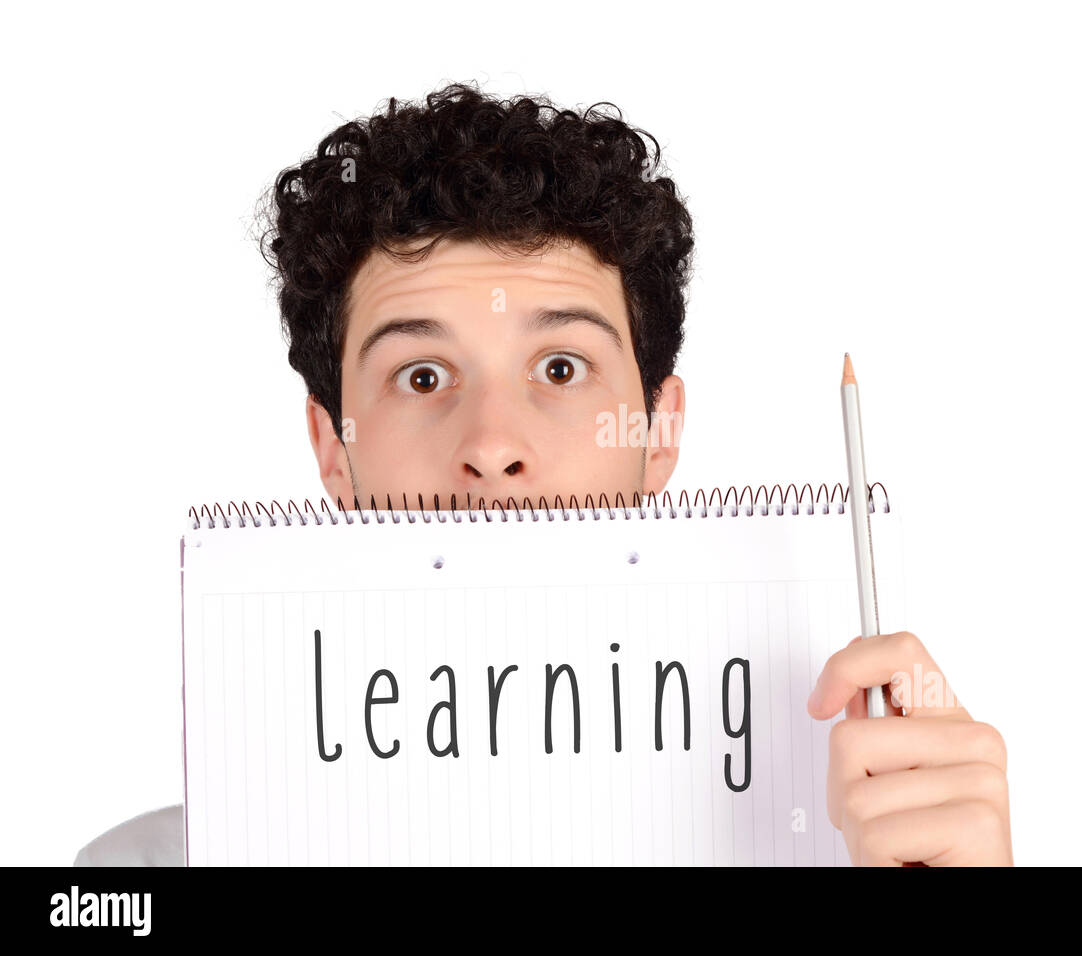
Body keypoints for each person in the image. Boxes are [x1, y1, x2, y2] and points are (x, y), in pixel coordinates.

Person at [75, 82, 1011, 866]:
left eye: (561, 369)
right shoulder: (152, 877)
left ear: (659, 430)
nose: (492, 444)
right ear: (333, 449)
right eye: (423, 375)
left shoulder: (853, 842)